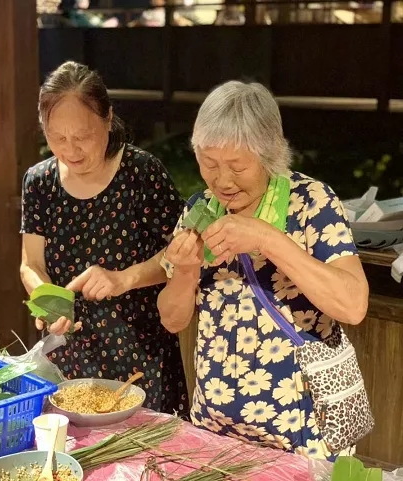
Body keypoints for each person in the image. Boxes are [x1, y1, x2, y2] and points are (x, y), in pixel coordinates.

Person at [157, 80, 370, 459]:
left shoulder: (311, 203)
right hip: (215, 430)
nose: (222, 181)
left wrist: (267, 239)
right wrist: (187, 271)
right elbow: (173, 320)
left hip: (302, 438)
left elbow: (353, 304)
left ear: (269, 153)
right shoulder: (199, 208)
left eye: (237, 166)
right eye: (209, 164)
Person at [20, 61, 189, 415]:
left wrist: (123, 278)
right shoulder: (39, 182)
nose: (71, 150)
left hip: (141, 354)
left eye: (82, 136)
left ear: (108, 119)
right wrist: (46, 300)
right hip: (69, 354)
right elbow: (31, 263)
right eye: (57, 138)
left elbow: (182, 253)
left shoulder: (141, 173)